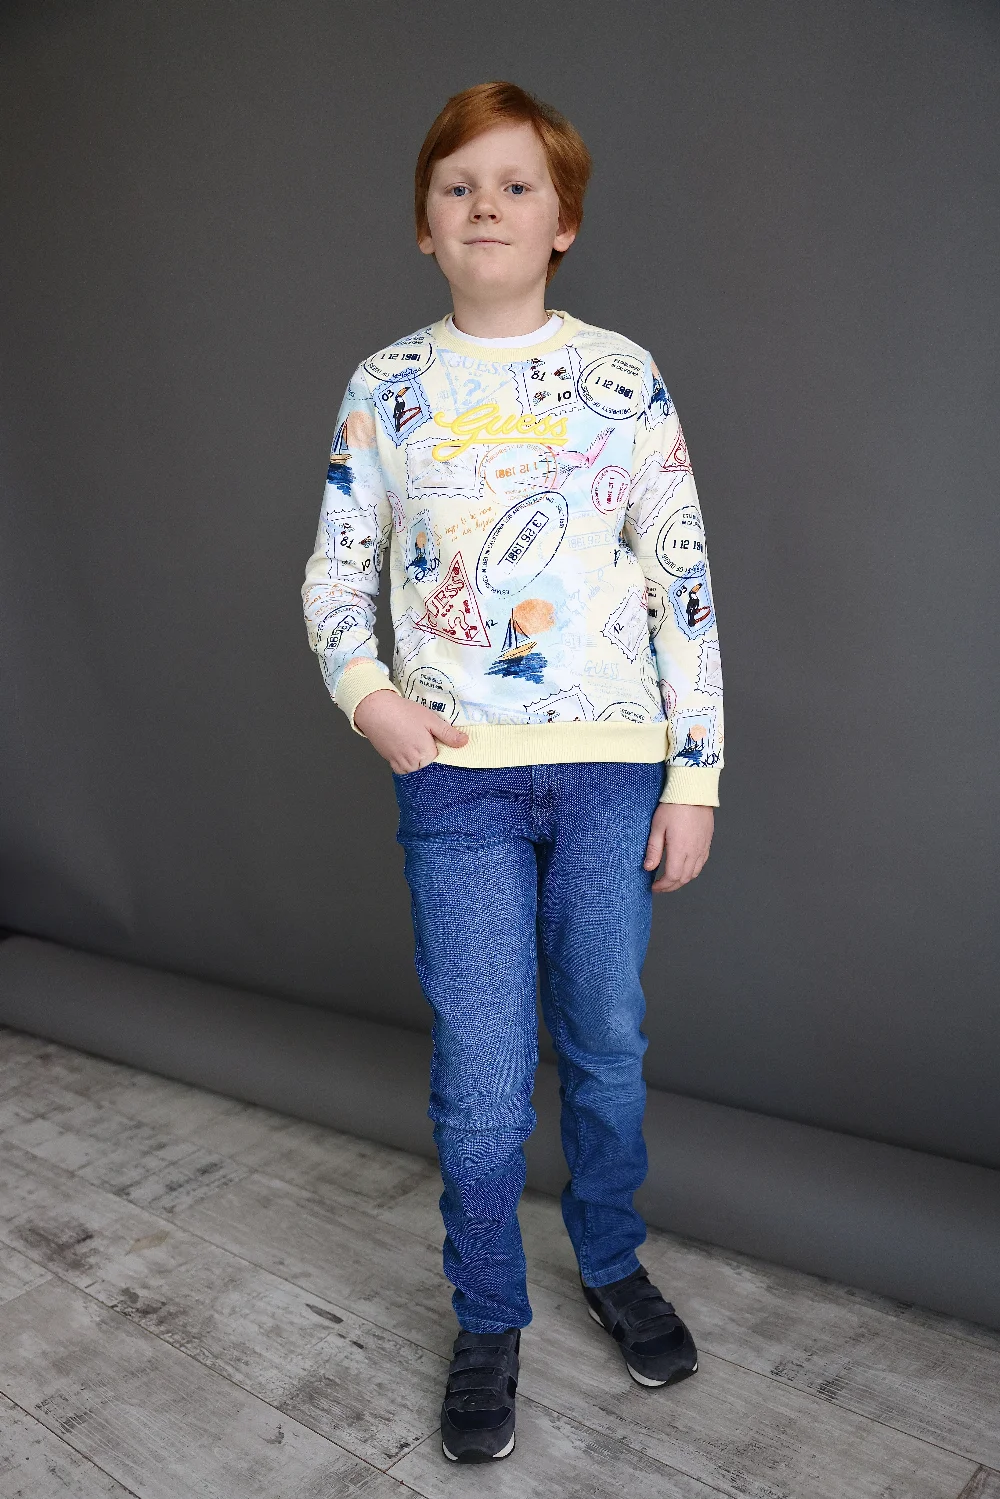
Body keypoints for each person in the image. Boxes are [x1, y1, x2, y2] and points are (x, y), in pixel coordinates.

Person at [301, 80, 724, 1464]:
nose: (487, 206)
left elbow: (682, 582)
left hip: (610, 771)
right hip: (459, 782)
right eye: (458, 186)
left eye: (517, 185)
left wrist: (695, 776)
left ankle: (609, 1255)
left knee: (606, 1039)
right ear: (424, 226)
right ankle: (489, 1312)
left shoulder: (625, 378)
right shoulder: (387, 388)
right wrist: (371, 698)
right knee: (482, 1074)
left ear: (565, 222)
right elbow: (336, 575)